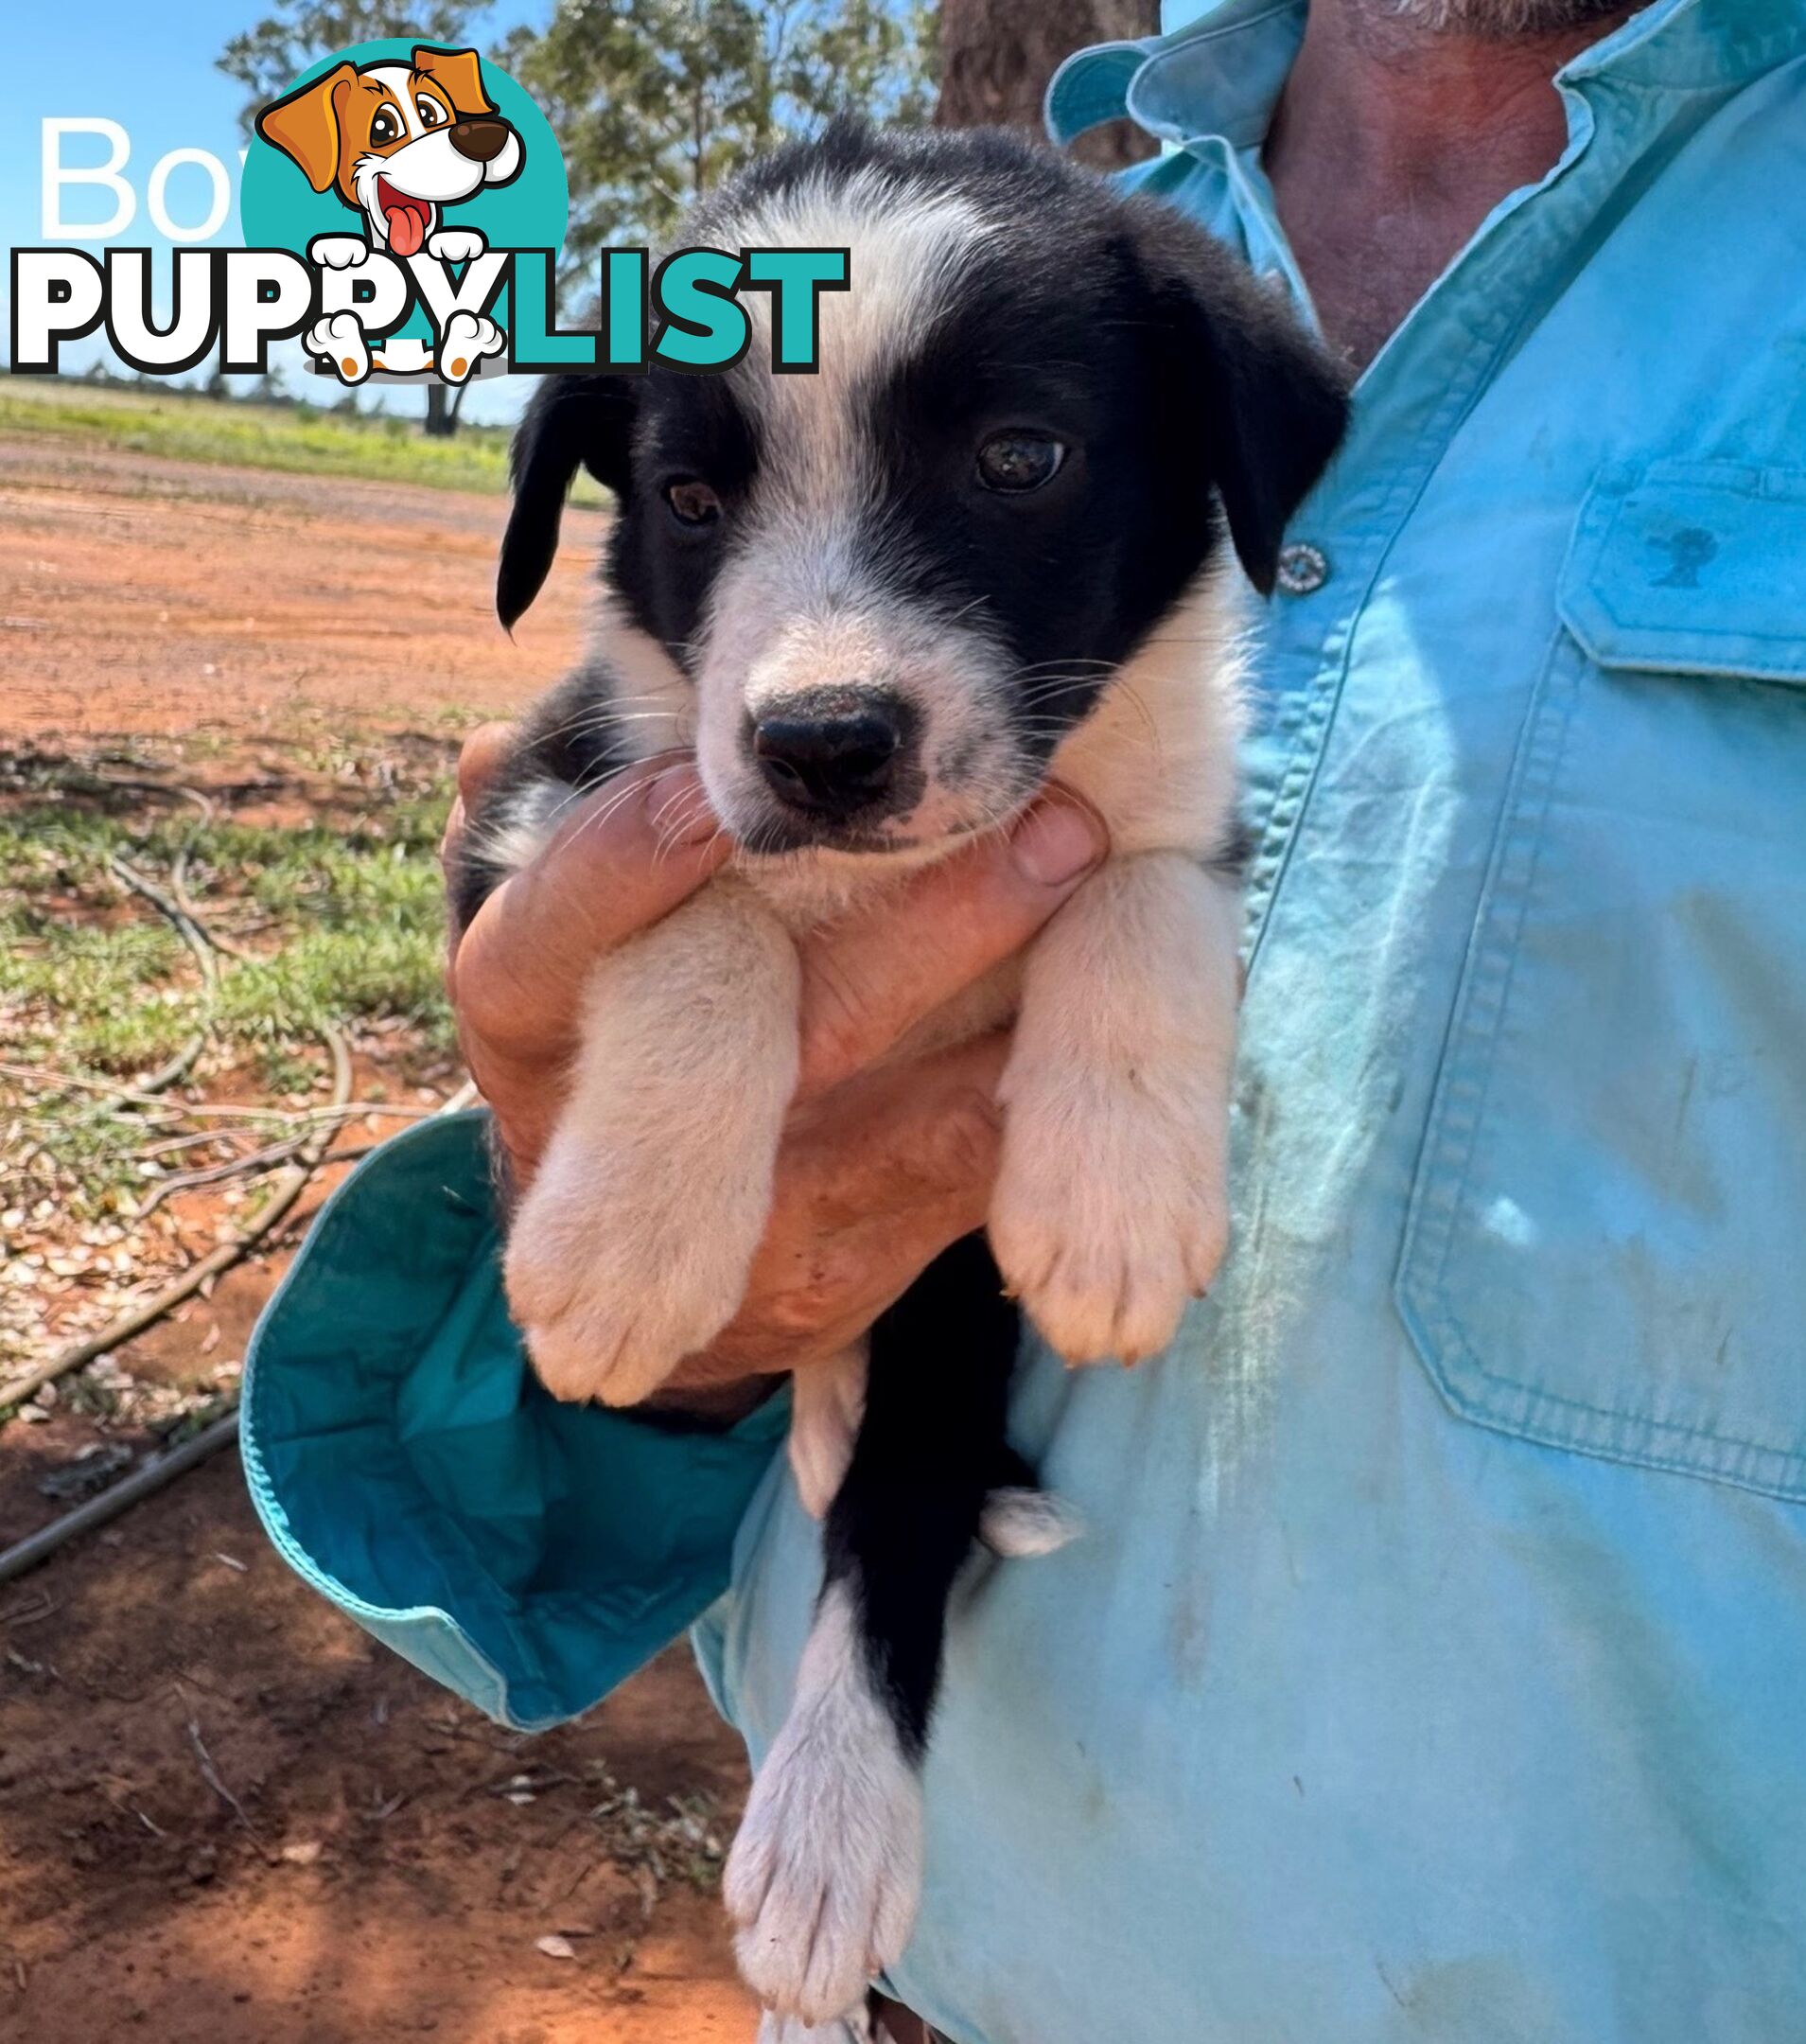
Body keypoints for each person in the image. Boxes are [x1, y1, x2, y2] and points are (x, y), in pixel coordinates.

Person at [242, 1, 1806, 2037]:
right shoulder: (1061, 238)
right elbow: (616, 1214)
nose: (812, 659)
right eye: (703, 494)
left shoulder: (1138, 323)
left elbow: (1144, 863)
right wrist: (671, 1207)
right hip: (902, 1962)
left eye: (1007, 459)